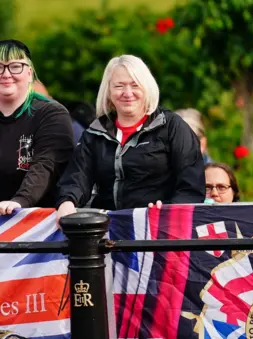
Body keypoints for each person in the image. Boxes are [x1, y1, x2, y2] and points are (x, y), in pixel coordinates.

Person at [56, 55, 205, 218]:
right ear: (108, 91)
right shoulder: (95, 132)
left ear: (147, 88)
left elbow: (191, 185)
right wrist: (67, 202)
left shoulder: (171, 126)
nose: (127, 93)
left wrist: (170, 212)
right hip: (108, 229)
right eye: (119, 86)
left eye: (135, 85)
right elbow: (76, 177)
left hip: (160, 229)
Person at [0, 39, 74, 216]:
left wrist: (19, 201)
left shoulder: (52, 114)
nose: (6, 74)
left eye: (15, 66)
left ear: (29, 73)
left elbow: (46, 165)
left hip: (39, 225)